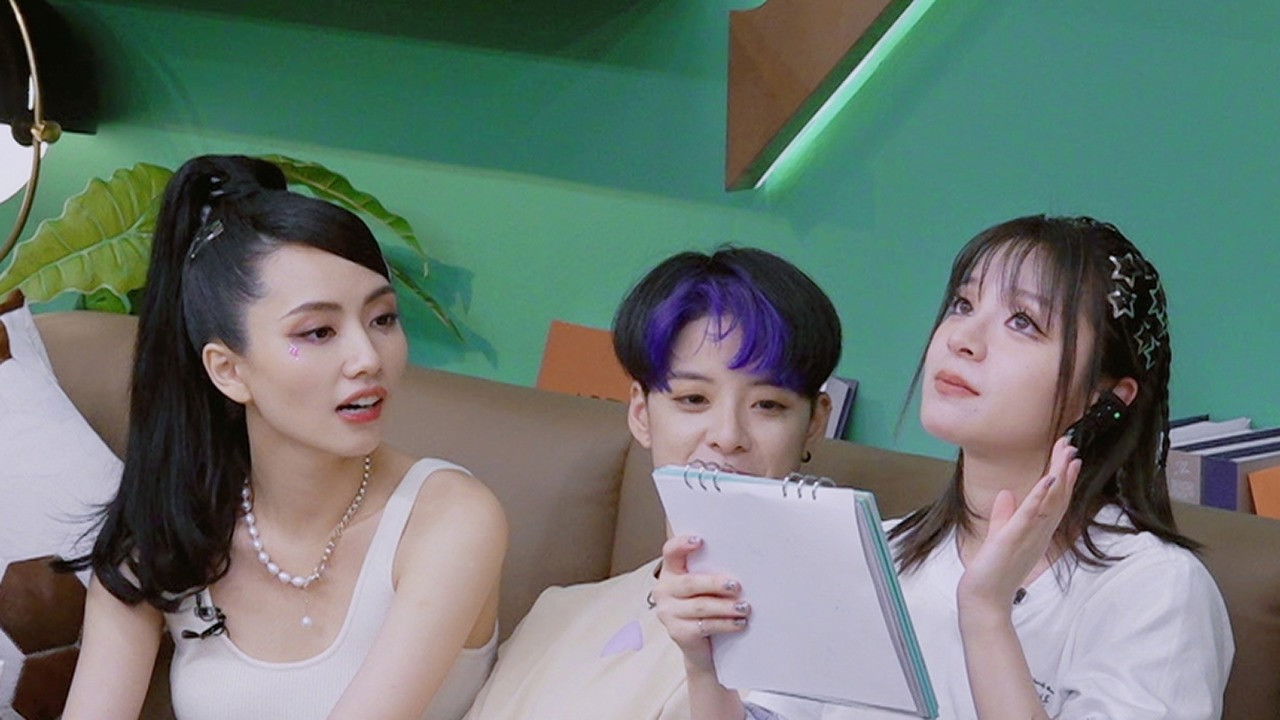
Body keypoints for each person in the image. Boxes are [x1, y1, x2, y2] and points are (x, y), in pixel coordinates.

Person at [656, 216, 1234, 719]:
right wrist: (706, 666)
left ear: (1106, 398)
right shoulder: (874, 554)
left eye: (1023, 321)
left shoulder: (1154, 590)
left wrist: (986, 614)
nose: (964, 338)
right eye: (963, 304)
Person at [60, 155, 507, 720]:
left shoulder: (450, 518)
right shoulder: (171, 534)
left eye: (382, 319)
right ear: (228, 370)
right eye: (318, 331)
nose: (367, 358)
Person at [463, 247, 842, 720]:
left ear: (814, 423)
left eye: (768, 405)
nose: (728, 436)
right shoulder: (558, 614)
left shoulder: (832, 636)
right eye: (693, 399)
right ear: (641, 414)